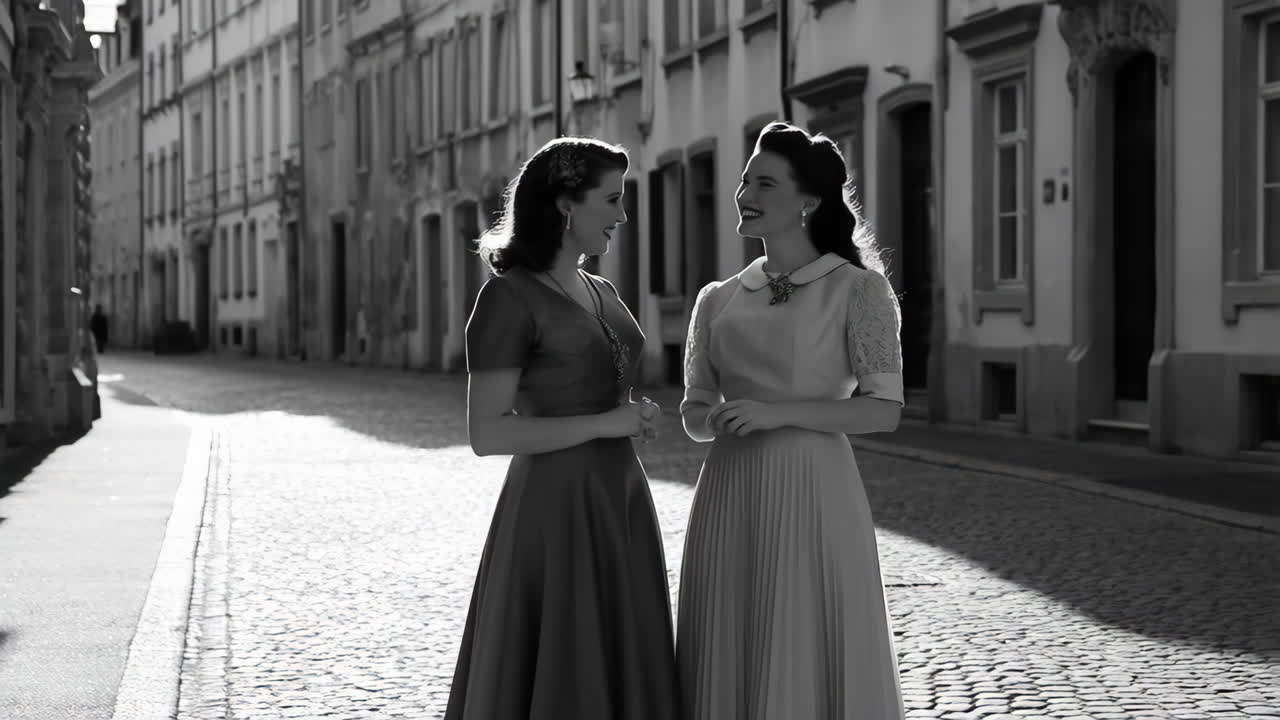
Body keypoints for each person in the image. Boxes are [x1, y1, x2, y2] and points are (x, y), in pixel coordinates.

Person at [444, 137, 681, 720]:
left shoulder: (600, 289)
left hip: (618, 495)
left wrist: (630, 415)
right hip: (553, 507)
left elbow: (605, 379)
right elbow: (488, 434)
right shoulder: (507, 298)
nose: (623, 215)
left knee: (621, 658)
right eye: (612, 199)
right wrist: (608, 422)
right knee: (563, 660)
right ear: (565, 206)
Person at [676, 121, 907, 719]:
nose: (745, 193)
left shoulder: (859, 291)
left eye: (765, 182)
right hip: (729, 493)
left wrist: (777, 414)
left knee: (810, 631)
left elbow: (883, 410)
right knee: (731, 637)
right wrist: (714, 419)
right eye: (746, 179)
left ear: (808, 201)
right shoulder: (716, 299)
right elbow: (694, 413)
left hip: (816, 490)